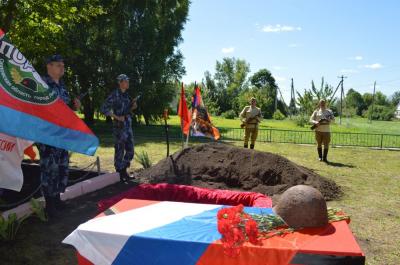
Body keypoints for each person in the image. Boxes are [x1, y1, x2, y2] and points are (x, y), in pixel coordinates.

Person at [38, 54, 81, 218]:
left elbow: (66, 111)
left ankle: (56, 199)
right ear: (49, 66)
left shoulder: (62, 86)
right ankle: (49, 205)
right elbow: (39, 109)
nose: (62, 68)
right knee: (49, 169)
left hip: (62, 136)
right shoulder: (41, 85)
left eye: (63, 66)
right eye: (58, 65)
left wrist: (74, 106)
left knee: (61, 167)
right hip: (47, 135)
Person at [101, 74, 137, 182]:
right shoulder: (114, 95)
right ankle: (120, 173)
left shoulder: (126, 95)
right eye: (126, 81)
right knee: (120, 150)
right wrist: (116, 117)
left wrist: (133, 106)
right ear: (120, 82)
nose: (128, 82)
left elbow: (128, 109)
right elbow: (104, 108)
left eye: (128, 81)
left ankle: (123, 169)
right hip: (119, 127)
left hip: (128, 125)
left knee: (130, 150)